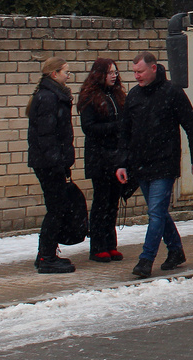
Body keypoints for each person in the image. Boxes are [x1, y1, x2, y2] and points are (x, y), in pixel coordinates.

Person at [115, 51, 193, 279]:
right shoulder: (134, 95)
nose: (136, 76)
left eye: (140, 72)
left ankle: (146, 260)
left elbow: (191, 126)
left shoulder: (172, 92)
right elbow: (124, 132)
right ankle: (175, 250)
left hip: (164, 163)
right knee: (160, 212)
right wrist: (122, 163)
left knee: (155, 213)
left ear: (153, 68)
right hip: (140, 165)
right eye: (134, 72)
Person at [27, 57, 77, 274]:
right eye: (66, 72)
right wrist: (57, 162)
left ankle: (45, 254)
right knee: (57, 209)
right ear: (54, 74)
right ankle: (47, 257)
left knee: (56, 207)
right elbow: (46, 135)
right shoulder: (48, 97)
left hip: (49, 161)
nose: (68, 76)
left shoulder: (51, 95)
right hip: (49, 163)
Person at [77, 57, 127, 263]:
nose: (114, 76)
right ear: (100, 74)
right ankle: (98, 246)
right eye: (110, 72)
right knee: (101, 201)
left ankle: (110, 244)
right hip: (99, 156)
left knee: (113, 201)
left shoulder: (117, 95)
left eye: (115, 72)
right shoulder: (90, 97)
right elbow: (89, 128)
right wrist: (115, 127)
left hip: (116, 155)